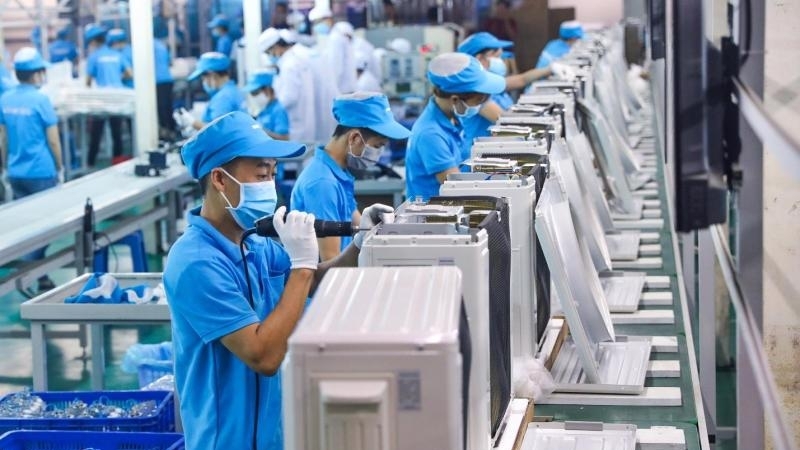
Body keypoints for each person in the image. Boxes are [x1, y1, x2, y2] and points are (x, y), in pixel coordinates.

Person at [164, 111, 391, 450]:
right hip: (227, 440)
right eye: (260, 174)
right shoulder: (195, 262)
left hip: (274, 434)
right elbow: (264, 356)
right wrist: (301, 266)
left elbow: (313, 283)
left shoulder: (255, 242)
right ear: (220, 180)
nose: (269, 184)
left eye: (272, 173)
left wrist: (359, 243)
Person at [291, 92, 409, 260]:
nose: (379, 155)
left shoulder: (338, 173)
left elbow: (361, 227)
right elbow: (331, 260)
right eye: (377, 146)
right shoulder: (323, 184)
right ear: (354, 138)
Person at [0, 47, 62, 291]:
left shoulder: (5, 99)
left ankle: (37, 274)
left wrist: (5, 166)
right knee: (46, 227)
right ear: (36, 74)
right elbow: (53, 140)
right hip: (41, 172)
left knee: (26, 227)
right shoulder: (41, 100)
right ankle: (33, 273)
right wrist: (59, 166)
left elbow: (2, 138)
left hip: (16, 172)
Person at [405, 52, 505, 201]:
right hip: (436, 211)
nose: (481, 105)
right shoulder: (431, 134)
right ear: (455, 100)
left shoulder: (454, 118)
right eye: (479, 100)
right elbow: (458, 190)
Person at [456, 32, 552, 162]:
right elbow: (504, 121)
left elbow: (522, 79)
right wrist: (542, 122)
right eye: (497, 56)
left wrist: (550, 69)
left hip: (496, 152)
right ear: (479, 59)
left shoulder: (492, 83)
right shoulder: (473, 91)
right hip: (479, 159)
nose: (501, 61)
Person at [85, 23, 133, 167]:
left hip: (102, 99)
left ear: (93, 42)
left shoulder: (94, 57)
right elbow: (130, 73)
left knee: (96, 133)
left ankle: (90, 163)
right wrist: (117, 78)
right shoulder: (117, 55)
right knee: (116, 133)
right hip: (117, 97)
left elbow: (88, 81)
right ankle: (117, 161)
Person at [258, 28, 316, 143]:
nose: (270, 57)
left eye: (269, 53)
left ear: (275, 47)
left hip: (297, 122)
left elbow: (289, 97)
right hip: (303, 119)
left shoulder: (289, 65)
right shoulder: (292, 60)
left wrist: (274, 108)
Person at [173, 52, 244, 133]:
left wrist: (192, 122)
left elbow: (218, 132)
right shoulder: (233, 90)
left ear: (212, 75)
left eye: (203, 78)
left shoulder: (222, 98)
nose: (203, 82)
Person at [244, 69, 289, 140]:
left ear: (267, 90)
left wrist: (262, 131)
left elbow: (284, 138)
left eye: (255, 93)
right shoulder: (264, 109)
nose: (254, 97)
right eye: (252, 94)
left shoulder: (278, 110)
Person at [153, 27, 176, 138]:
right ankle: (173, 131)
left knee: (161, 109)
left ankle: (166, 134)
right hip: (168, 79)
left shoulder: (147, 45)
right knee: (168, 107)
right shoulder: (161, 45)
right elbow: (170, 62)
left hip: (158, 80)